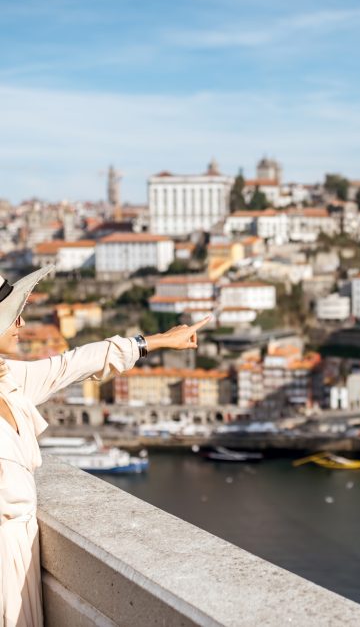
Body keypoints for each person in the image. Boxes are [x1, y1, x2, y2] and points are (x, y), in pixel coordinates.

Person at [0, 265, 211, 627]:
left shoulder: (10, 380)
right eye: (12, 315)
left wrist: (155, 341)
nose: (21, 324)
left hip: (20, 560)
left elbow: (73, 364)